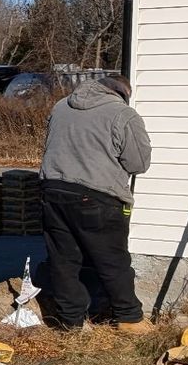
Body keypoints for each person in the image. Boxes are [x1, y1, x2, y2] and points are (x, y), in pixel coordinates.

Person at [37, 74, 151, 332]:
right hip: (97, 196)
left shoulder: (61, 106)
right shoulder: (123, 114)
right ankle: (129, 319)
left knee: (64, 261)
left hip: (52, 191)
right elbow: (138, 164)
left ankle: (70, 322)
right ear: (122, 93)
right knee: (112, 260)